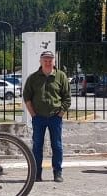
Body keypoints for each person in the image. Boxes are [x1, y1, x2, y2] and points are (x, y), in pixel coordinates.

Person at [22, 49, 71, 183]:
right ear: (41, 61)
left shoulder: (61, 76)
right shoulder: (33, 78)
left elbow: (67, 98)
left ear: (54, 62)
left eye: (50, 60)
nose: (48, 62)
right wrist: (33, 114)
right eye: (45, 60)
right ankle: (37, 174)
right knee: (37, 146)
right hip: (39, 118)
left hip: (55, 117)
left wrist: (60, 113)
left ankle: (58, 173)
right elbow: (27, 97)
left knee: (57, 145)